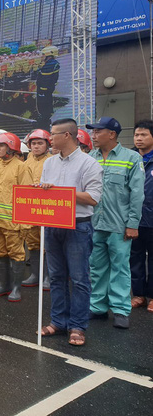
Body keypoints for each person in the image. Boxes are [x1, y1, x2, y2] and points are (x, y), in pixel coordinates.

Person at [40, 118, 103, 346]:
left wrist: (62, 192)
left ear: (67, 135)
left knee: (79, 279)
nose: (50, 138)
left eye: (53, 134)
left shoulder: (89, 164)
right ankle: (58, 321)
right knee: (56, 277)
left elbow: (93, 198)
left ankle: (77, 326)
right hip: (53, 225)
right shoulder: (49, 163)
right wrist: (45, 191)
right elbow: (43, 192)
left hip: (78, 226)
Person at [87, 117, 144, 329]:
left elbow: (137, 195)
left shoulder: (131, 158)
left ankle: (120, 310)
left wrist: (132, 224)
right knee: (96, 267)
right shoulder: (90, 158)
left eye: (98, 131)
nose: (94, 136)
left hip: (119, 225)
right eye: (93, 132)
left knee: (120, 268)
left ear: (112, 134)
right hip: (94, 223)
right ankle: (98, 307)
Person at [0, 132, 33, 302]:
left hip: (13, 222)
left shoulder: (21, 167)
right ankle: (2, 284)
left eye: (1, 145)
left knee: (16, 254)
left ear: (11, 147)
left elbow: (27, 196)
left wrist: (23, 222)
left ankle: (16, 288)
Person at [22, 129, 53, 289]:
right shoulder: (27, 162)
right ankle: (35, 275)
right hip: (30, 208)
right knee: (32, 242)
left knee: (47, 243)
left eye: (40, 143)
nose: (36, 146)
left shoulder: (53, 161)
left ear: (47, 144)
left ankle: (48, 277)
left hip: (47, 208)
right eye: (33, 143)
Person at [131, 119, 153, 312]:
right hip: (134, 219)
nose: (139, 138)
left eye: (143, 135)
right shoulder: (130, 158)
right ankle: (138, 295)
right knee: (135, 257)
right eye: (137, 135)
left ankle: (152, 296)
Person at [36, 46, 60, 126]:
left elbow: (44, 78)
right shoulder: (52, 63)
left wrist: (42, 90)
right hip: (47, 90)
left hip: (44, 90)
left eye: (43, 55)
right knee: (47, 105)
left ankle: (44, 121)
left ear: (48, 55)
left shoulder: (50, 65)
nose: (41, 56)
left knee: (44, 106)